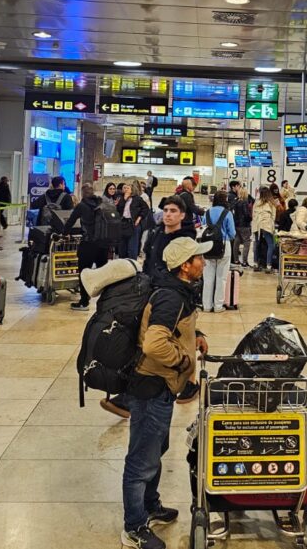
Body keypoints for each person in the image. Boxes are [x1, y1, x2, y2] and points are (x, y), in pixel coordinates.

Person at [120, 237, 209, 549]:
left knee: (156, 447)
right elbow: (155, 344)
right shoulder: (172, 297)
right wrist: (183, 360)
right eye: (198, 257)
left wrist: (194, 336)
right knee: (141, 457)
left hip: (160, 387)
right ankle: (133, 526)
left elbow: (172, 328)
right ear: (185, 266)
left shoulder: (178, 290)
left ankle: (150, 504)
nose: (203, 261)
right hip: (152, 385)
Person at [65, 183, 111, 311]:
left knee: (84, 273)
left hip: (88, 244)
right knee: (104, 274)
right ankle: (106, 301)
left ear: (82, 193)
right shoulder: (102, 203)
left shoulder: (81, 206)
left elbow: (70, 221)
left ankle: (84, 301)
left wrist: (64, 233)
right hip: (103, 244)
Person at [142, 197, 195, 280]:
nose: (168, 214)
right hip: (151, 285)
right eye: (165, 210)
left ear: (182, 215)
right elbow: (147, 261)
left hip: (172, 288)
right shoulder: (154, 233)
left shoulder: (186, 240)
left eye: (173, 211)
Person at [201, 191, 236, 312]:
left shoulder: (207, 212)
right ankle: (218, 306)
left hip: (207, 245)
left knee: (208, 277)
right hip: (224, 245)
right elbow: (232, 233)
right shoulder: (228, 213)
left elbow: (203, 228)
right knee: (221, 278)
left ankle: (206, 306)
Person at [118, 181, 151, 259]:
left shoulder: (137, 199)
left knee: (132, 247)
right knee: (122, 246)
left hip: (133, 224)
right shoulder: (122, 198)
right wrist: (124, 199)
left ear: (132, 190)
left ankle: (132, 263)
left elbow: (146, 208)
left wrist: (139, 218)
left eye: (128, 188)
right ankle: (122, 262)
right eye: (125, 188)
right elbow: (119, 209)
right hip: (123, 223)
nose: (126, 189)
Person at [251, 187, 277, 273]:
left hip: (257, 224)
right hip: (267, 224)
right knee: (270, 244)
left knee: (257, 243)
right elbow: (273, 216)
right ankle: (268, 265)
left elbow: (253, 215)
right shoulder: (271, 203)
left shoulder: (256, 202)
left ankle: (255, 264)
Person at [231, 186, 253, 267]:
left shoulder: (235, 202)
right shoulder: (245, 203)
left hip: (236, 224)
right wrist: (251, 218)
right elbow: (246, 214)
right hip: (244, 225)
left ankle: (236, 260)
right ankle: (244, 261)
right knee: (247, 242)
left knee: (236, 241)